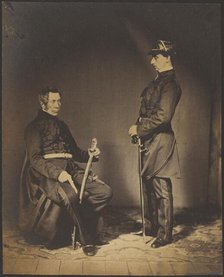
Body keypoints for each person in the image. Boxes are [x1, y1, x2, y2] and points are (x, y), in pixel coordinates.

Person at [19, 87, 113, 256]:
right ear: (43, 103)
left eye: (59, 101)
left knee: (104, 192)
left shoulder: (62, 126)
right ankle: (87, 240)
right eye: (53, 101)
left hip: (71, 168)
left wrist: (90, 154)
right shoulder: (33, 128)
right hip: (49, 175)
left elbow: (75, 152)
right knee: (71, 195)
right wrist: (58, 173)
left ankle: (76, 224)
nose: (58, 104)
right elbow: (35, 159)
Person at [129, 40, 182, 248]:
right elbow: (145, 113)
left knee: (161, 187)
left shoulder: (171, 85)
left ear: (168, 57)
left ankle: (165, 234)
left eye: (156, 57)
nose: (152, 61)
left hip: (161, 141)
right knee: (148, 185)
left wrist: (140, 129)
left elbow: (163, 117)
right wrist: (137, 130)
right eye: (152, 57)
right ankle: (151, 227)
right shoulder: (156, 83)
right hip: (149, 140)